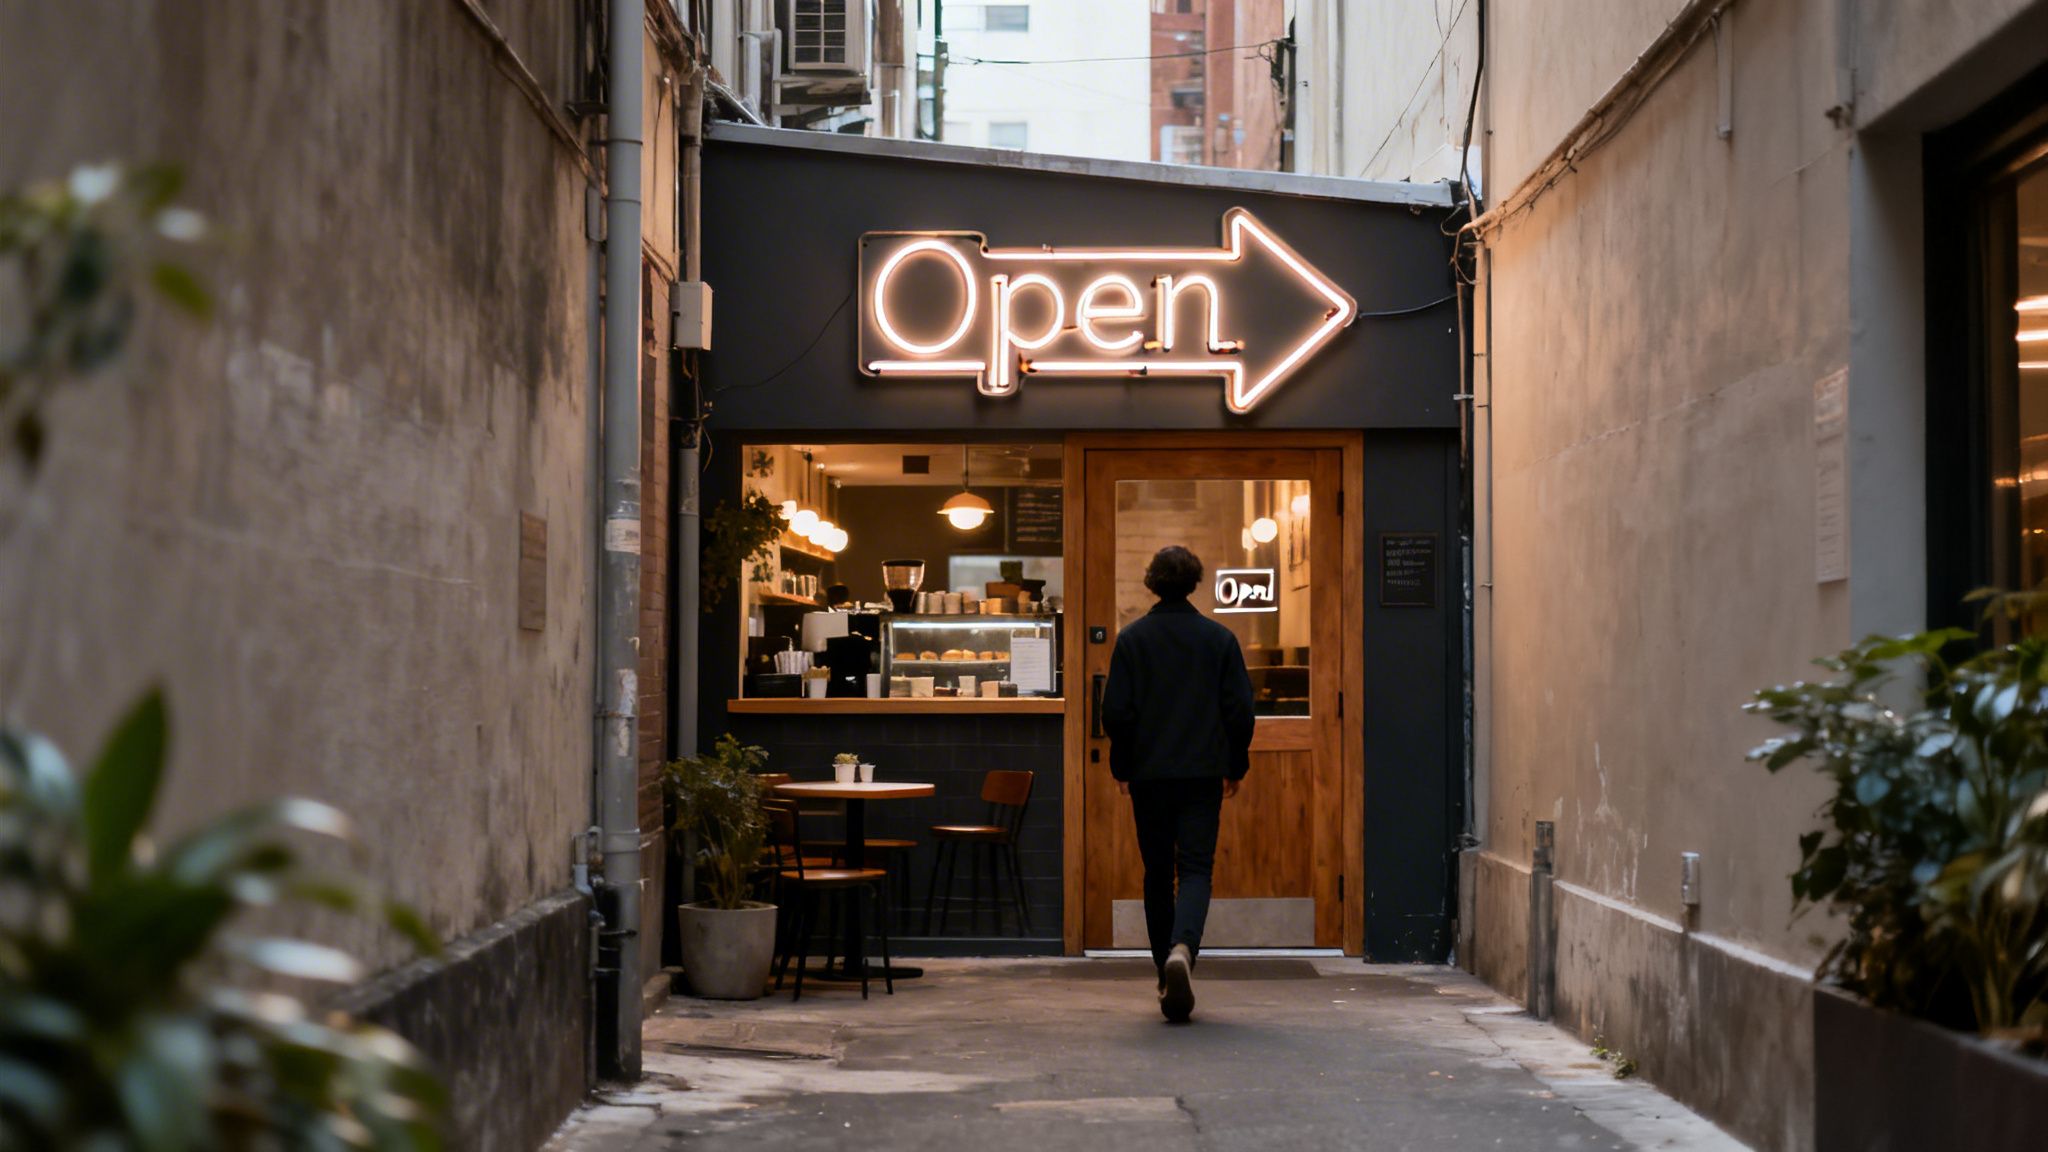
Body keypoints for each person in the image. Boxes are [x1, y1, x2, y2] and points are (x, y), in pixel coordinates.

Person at [1100, 544, 1256, 1023]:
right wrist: (1235, 764)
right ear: (1194, 583)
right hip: (1202, 773)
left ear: (1152, 582)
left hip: (1149, 775)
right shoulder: (1219, 638)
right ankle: (1184, 949)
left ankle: (1164, 974)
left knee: (1155, 872)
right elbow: (1240, 711)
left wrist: (1123, 768)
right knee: (1193, 868)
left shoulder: (1132, 640)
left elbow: (1116, 714)